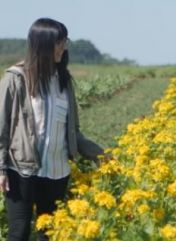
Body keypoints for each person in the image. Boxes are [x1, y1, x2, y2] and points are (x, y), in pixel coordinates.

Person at [0, 18, 104, 241]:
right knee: (19, 233)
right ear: (42, 44)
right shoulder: (15, 79)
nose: (64, 47)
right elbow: (2, 127)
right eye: (59, 42)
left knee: (50, 234)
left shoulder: (64, 82)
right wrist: (0, 169)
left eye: (65, 41)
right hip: (21, 170)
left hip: (57, 172)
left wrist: (102, 155)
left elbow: (73, 132)